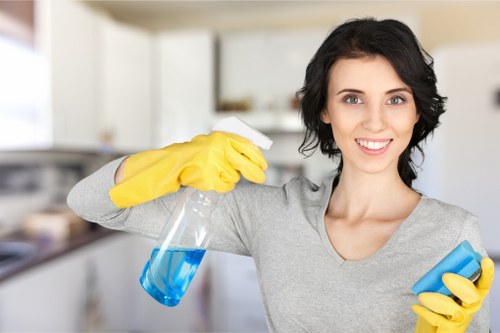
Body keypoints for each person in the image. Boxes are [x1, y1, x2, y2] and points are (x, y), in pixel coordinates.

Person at [68, 17, 494, 332]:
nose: (375, 122)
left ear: (417, 109)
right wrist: (175, 160)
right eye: (352, 98)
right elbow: (90, 202)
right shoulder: (272, 214)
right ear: (325, 110)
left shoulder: (452, 234)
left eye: (396, 100)